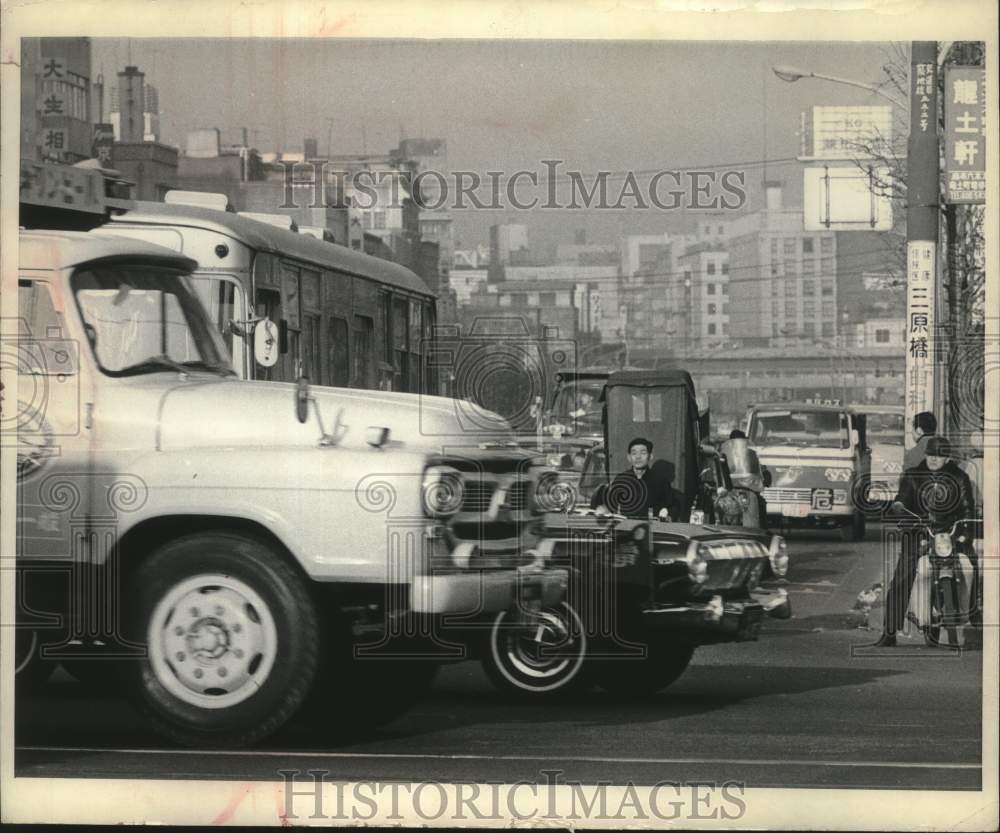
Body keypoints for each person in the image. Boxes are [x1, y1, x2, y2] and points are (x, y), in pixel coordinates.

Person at [874, 436, 975, 647]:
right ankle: (889, 631)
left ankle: (975, 615)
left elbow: (967, 508)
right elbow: (902, 499)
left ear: (947, 458)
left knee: (971, 567)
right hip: (918, 534)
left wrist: (965, 530)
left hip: (949, 537)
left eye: (939, 455)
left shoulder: (960, 477)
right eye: (931, 454)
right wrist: (901, 510)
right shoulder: (913, 475)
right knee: (902, 578)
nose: (934, 459)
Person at [591, 436, 686, 521]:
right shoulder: (622, 479)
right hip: (626, 529)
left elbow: (674, 505)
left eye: (643, 453)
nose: (638, 457)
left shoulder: (660, 481)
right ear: (629, 457)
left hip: (653, 530)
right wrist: (603, 509)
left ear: (650, 456)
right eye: (634, 453)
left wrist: (668, 515)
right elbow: (610, 504)